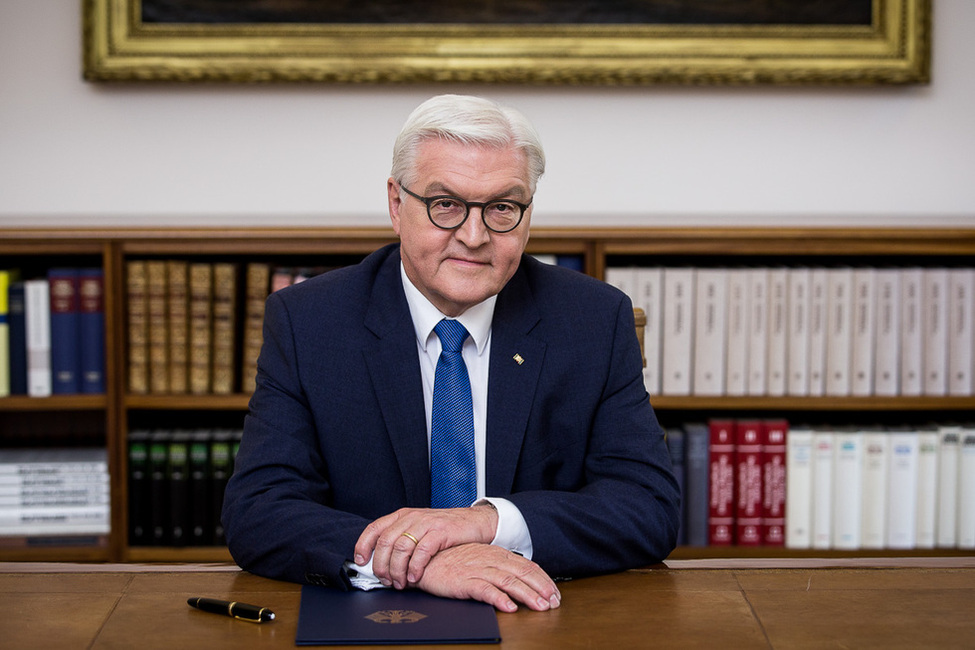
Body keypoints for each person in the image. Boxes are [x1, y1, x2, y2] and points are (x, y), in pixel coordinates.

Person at [222, 94, 680, 613]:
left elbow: (649, 506)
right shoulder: (310, 323)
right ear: (397, 205)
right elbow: (259, 511)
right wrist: (425, 561)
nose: (473, 235)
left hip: (539, 615)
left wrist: (486, 522)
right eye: (445, 205)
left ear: (529, 212)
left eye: (502, 208)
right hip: (372, 621)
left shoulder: (593, 320)